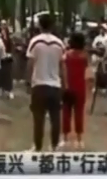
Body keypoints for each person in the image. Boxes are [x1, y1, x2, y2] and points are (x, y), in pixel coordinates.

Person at [26, 13, 65, 151]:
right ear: (52, 26)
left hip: (39, 83)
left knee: (38, 118)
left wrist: (28, 81)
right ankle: (54, 145)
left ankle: (37, 146)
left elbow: (30, 63)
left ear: (39, 25)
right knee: (55, 118)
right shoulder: (59, 43)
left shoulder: (35, 42)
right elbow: (62, 66)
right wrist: (64, 84)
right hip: (55, 84)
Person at [60, 31, 92, 149]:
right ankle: (79, 139)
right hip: (80, 88)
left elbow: (63, 71)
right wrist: (89, 87)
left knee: (66, 113)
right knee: (79, 113)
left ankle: (65, 139)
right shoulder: (85, 56)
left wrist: (65, 85)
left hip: (68, 87)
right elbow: (88, 73)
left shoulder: (66, 55)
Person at [0, 20, 14, 99]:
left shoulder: (9, 35)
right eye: (2, 25)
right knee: (0, 73)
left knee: (8, 74)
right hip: (0, 57)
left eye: (4, 24)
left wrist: (10, 53)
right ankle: (1, 90)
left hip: (8, 57)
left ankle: (9, 90)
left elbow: (11, 45)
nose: (3, 26)